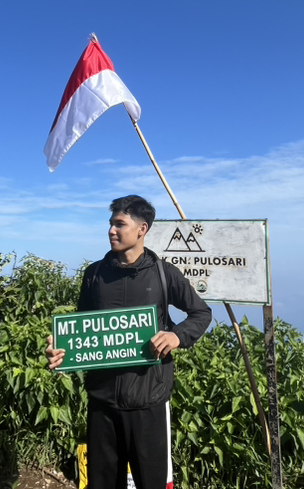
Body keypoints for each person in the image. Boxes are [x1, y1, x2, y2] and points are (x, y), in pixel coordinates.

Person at [45, 195, 212, 489]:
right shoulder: (95, 274)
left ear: (141, 229)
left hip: (149, 400)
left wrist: (176, 336)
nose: (111, 230)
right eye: (110, 224)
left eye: (119, 224)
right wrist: (61, 351)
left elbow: (201, 313)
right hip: (102, 402)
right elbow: (82, 328)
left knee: (150, 483)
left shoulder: (163, 274)